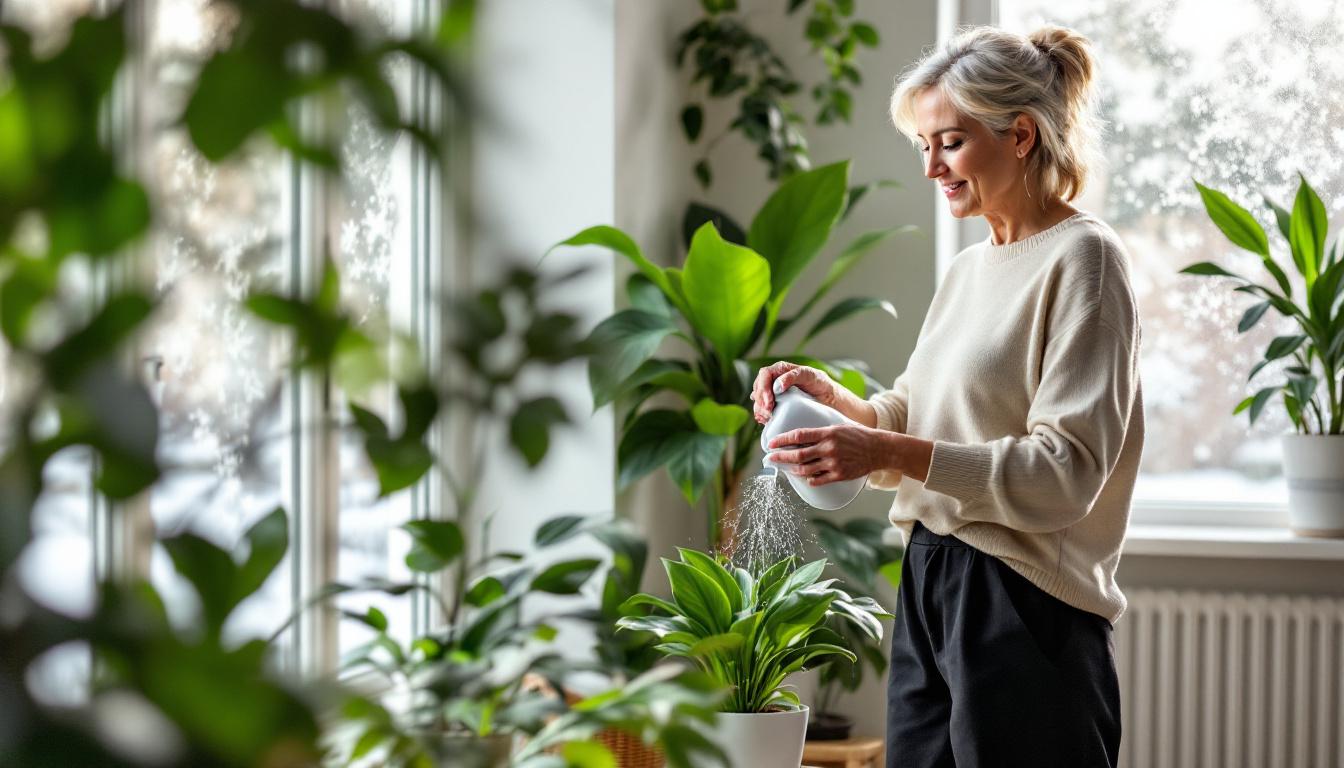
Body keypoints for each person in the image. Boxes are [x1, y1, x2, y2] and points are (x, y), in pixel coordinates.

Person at [751, 24, 1142, 768]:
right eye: (923, 146)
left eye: (950, 143)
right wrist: (837, 402)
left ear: (1020, 136)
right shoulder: (970, 269)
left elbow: (1065, 473)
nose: (931, 166)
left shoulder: (1085, 261)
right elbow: (910, 414)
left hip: (1025, 600)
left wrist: (885, 448)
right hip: (932, 578)